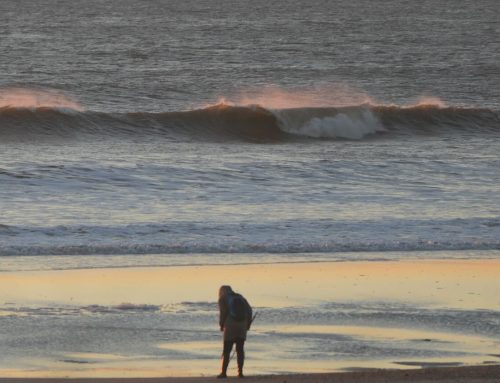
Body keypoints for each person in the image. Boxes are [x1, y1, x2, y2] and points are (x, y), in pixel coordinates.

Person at [217, 285, 253, 378]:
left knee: (227, 350)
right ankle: (240, 373)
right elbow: (249, 311)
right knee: (240, 350)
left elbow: (223, 313)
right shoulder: (240, 297)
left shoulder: (223, 298)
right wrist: (248, 324)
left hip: (230, 326)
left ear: (222, 291)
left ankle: (224, 373)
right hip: (242, 325)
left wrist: (221, 325)